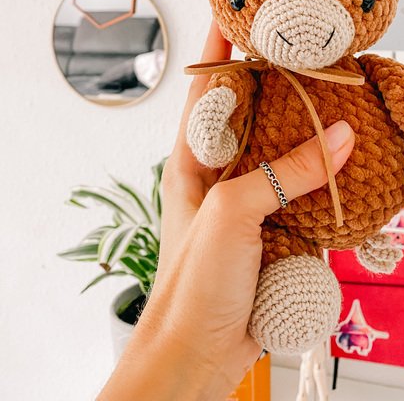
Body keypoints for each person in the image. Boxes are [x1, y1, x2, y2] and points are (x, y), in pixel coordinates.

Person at [98, 20, 355, 401]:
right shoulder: (244, 80)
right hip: (281, 250)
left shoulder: (366, 76)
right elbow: (214, 120)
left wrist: (193, 353)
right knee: (293, 296)